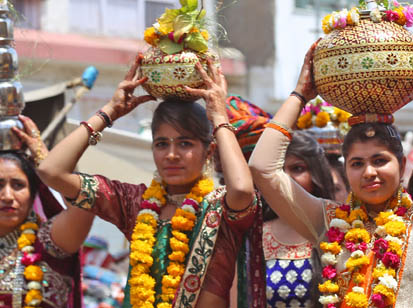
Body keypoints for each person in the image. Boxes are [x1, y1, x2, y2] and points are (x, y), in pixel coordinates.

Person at [249, 32, 413, 307]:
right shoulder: (327, 220)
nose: (369, 172)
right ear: (345, 169)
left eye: (380, 160)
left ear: (403, 164)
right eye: (357, 164)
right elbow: (261, 167)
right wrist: (299, 95)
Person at [36, 56, 260, 308]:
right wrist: (109, 111)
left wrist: (219, 116)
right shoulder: (134, 203)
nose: (172, 154)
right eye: (162, 144)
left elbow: (242, 188)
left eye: (185, 143)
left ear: (209, 151)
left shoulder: (221, 209)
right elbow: (50, 171)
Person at [224, 95, 331, 308]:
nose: (286, 177)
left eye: (298, 169)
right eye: (280, 170)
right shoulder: (254, 234)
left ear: (316, 174)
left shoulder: (335, 225)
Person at [0, 115, 94, 308]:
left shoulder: (47, 243)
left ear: (34, 192)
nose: (7, 195)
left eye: (18, 185)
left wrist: (42, 156)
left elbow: (85, 207)